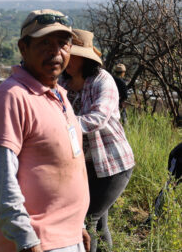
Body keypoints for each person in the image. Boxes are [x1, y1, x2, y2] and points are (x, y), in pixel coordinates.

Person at [0, 9, 90, 252]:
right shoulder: (11, 97)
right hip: (38, 241)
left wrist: (77, 225)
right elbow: (1, 180)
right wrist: (26, 240)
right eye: (44, 43)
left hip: (67, 236)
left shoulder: (59, 94)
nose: (55, 52)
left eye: (63, 44)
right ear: (23, 48)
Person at [61, 29, 135, 252]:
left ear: (84, 58)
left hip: (112, 165)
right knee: (99, 223)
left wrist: (59, 127)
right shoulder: (62, 84)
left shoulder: (103, 81)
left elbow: (98, 118)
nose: (66, 58)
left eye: (72, 54)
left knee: (87, 220)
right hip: (85, 165)